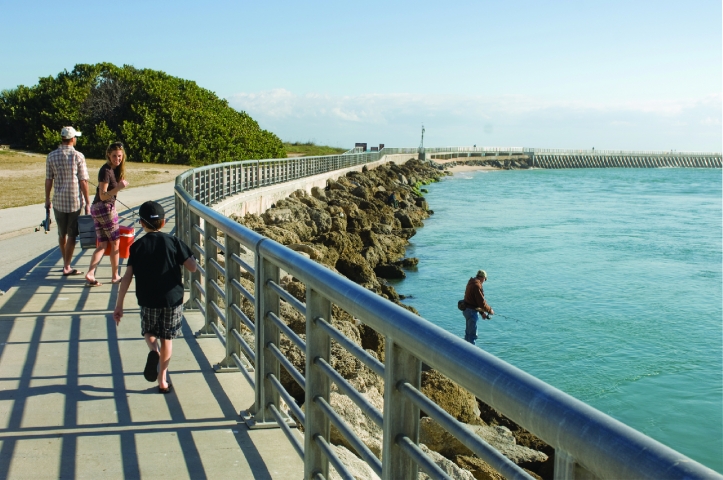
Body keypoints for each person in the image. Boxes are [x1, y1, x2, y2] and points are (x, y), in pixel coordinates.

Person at [113, 201, 197, 394]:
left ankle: (153, 351)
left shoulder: (137, 246)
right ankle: (163, 380)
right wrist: (189, 257)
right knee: (167, 337)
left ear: (141, 223)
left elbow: (126, 278)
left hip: (147, 298)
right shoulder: (174, 242)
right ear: (164, 222)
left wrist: (119, 305)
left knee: (149, 332)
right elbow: (192, 267)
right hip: (172, 299)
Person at [45, 126, 91, 276]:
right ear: (72, 139)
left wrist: (47, 199)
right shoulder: (78, 156)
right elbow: (83, 181)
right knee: (72, 235)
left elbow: (48, 179)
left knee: (61, 233)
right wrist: (88, 201)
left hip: (58, 201)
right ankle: (67, 266)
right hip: (74, 201)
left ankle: (66, 262)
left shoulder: (51, 156)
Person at [85, 142, 129, 287]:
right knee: (115, 243)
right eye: (115, 156)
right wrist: (118, 188)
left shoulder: (113, 169)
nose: (117, 159)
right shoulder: (106, 170)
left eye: (120, 156)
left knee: (103, 243)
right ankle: (115, 276)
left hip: (98, 209)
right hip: (104, 207)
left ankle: (90, 273)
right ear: (108, 155)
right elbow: (103, 195)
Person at [461, 269, 494, 345]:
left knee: (468, 334)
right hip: (472, 312)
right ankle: (471, 353)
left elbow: (474, 301)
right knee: (472, 335)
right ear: (482, 277)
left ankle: (466, 350)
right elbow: (481, 303)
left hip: (467, 310)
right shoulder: (477, 285)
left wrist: (482, 313)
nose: (484, 281)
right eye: (485, 279)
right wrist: (490, 310)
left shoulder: (471, 282)